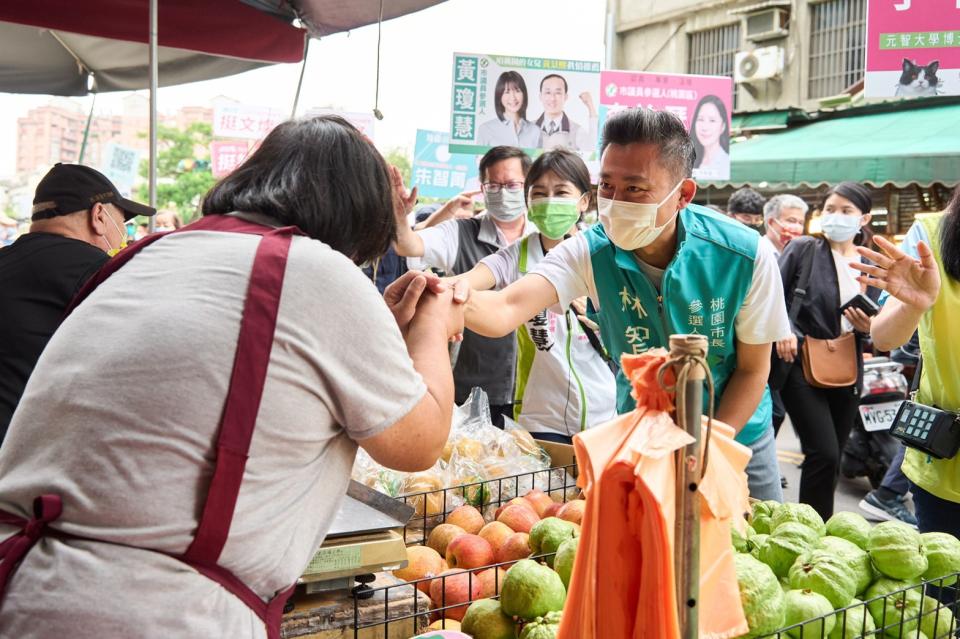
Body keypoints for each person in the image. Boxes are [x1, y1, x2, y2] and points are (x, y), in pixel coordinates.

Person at [0, 116, 463, 638]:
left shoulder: (155, 252)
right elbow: (419, 443)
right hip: (150, 612)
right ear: (359, 211)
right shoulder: (317, 271)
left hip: (21, 582)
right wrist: (431, 325)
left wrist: (381, 327)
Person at [456, 108, 791, 501]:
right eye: (608, 186)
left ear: (682, 194)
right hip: (641, 432)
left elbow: (753, 370)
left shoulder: (745, 254)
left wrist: (709, 447)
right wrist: (443, 296)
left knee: (749, 546)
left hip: (735, 433)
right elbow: (505, 308)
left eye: (635, 189)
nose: (615, 202)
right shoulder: (589, 250)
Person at [453, 148, 617, 443]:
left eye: (561, 191)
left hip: (605, 416)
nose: (549, 200)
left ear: (583, 201)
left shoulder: (604, 253)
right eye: (539, 193)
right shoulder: (516, 255)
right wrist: (449, 290)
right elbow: (472, 279)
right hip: (538, 418)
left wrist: (597, 314)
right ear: (528, 202)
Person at [0, 163, 156, 444]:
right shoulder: (100, 271)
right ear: (99, 215)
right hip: (26, 451)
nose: (122, 236)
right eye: (122, 223)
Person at [851, 192, 959, 589]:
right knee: (943, 601)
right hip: (946, 465)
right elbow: (883, 334)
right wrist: (914, 305)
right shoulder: (932, 234)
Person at [394, 145, 532, 426]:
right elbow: (411, 245)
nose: (503, 192)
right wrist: (398, 218)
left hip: (537, 394)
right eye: (493, 185)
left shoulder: (545, 239)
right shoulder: (460, 232)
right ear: (482, 187)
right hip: (474, 388)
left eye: (512, 184)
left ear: (528, 185)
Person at [775, 182, 881, 519]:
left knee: (832, 457)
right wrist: (783, 330)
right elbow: (770, 296)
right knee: (824, 452)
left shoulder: (870, 263)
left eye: (846, 211)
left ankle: (819, 527)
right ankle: (809, 529)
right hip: (800, 361)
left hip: (848, 363)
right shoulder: (804, 248)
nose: (836, 217)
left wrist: (870, 328)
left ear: (863, 218)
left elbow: (881, 320)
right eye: (830, 209)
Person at [534, 74, 599, 154]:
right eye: (548, 92)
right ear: (540, 96)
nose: (552, 98)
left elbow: (592, 150)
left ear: (565, 97)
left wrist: (590, 106)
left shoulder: (576, 130)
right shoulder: (530, 128)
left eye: (558, 93)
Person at [477, 71, 543, 149]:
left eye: (517, 91)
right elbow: (480, 160)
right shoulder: (486, 129)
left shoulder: (535, 131)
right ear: (499, 96)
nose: (513, 97)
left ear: (524, 94)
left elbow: (539, 160)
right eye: (507, 92)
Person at [690, 95, 730, 180]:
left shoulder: (725, 163)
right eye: (700, 119)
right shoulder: (691, 162)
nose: (705, 127)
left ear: (723, 126)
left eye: (712, 120)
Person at [762, 194, 807, 260]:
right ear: (771, 222)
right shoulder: (757, 251)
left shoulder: (800, 255)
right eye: (791, 220)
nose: (797, 227)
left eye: (801, 223)